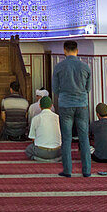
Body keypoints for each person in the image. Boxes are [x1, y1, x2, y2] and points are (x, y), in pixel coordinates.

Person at [52, 40, 92, 178]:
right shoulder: (85, 67)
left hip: (65, 105)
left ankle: (68, 170)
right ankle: (87, 170)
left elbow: (55, 89)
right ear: (77, 50)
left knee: (67, 138)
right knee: (84, 139)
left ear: (64, 50)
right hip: (82, 104)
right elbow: (88, 89)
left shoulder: (59, 67)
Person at [25, 96, 61, 162]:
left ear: (40, 106)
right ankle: (56, 159)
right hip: (57, 152)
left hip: (41, 152)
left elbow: (33, 138)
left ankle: (39, 158)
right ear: (51, 106)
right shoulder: (57, 118)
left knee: (28, 149)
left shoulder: (36, 118)